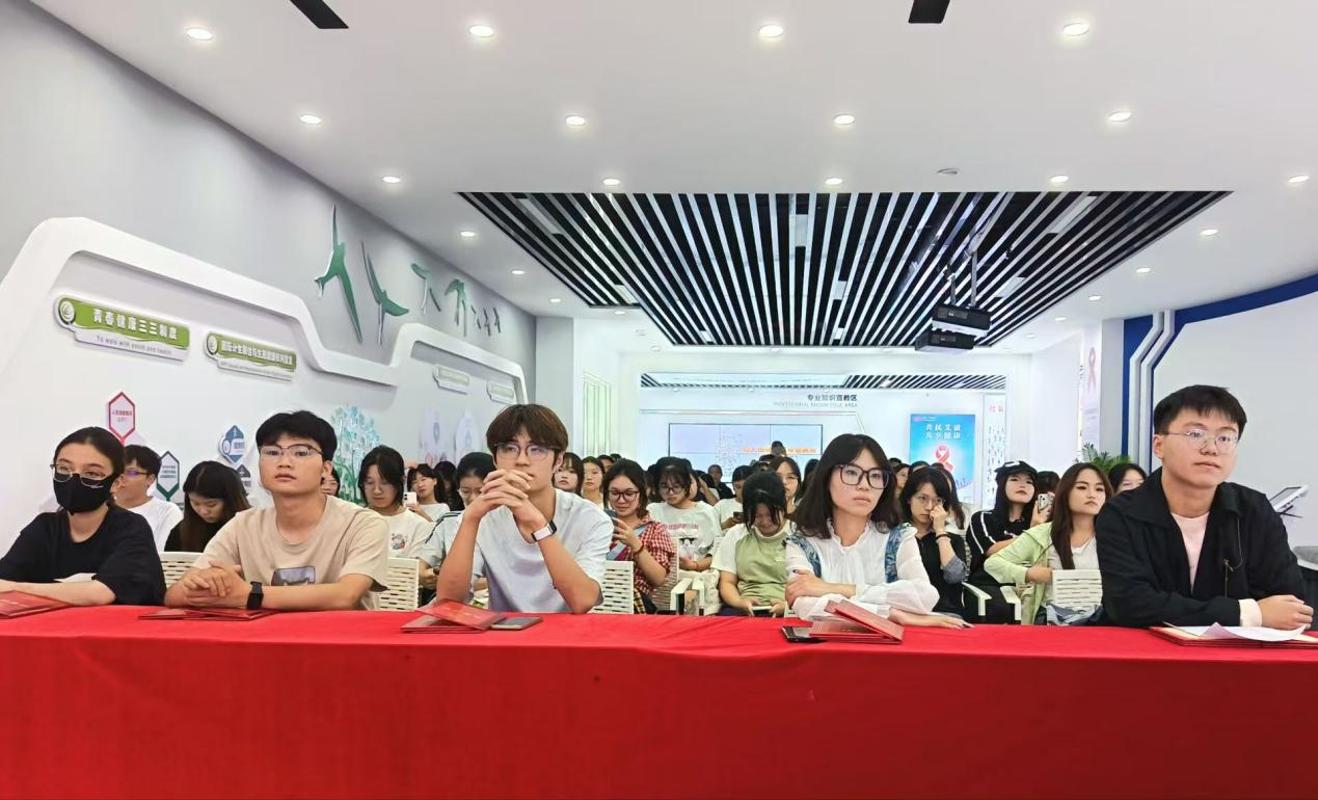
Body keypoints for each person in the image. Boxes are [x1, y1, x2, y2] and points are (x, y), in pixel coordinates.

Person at [1097, 385, 1310, 629]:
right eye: (1196, 434)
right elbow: (1129, 604)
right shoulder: (1121, 513)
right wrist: (1248, 613)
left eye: (1225, 437)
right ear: (1159, 445)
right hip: (1143, 649)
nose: (1211, 448)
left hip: (1237, 651)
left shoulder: (1254, 510)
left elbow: (1290, 604)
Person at [164, 411, 389, 611]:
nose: (284, 462)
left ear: (326, 469)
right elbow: (174, 595)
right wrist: (210, 583)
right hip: (263, 641)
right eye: (272, 452)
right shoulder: (243, 525)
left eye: (301, 453)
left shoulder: (362, 523)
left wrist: (249, 595)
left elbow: (345, 596)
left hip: (339, 641)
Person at [435, 404, 612, 614]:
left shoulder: (590, 518)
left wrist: (538, 524)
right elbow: (449, 601)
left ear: (558, 461)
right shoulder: (480, 516)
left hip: (567, 632)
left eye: (537, 449)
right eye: (509, 449)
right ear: (495, 459)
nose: (521, 460)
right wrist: (471, 519)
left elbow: (582, 601)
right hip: (503, 631)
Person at [784, 434, 962, 627]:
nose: (864, 485)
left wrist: (834, 588)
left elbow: (924, 596)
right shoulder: (803, 541)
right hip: (826, 643)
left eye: (876, 476)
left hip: (892, 644)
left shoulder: (898, 536)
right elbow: (807, 605)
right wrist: (891, 614)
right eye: (851, 472)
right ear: (827, 478)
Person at [0, 427, 164, 605]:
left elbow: (99, 594)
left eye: (92, 473)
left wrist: (19, 588)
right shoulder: (44, 527)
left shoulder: (131, 527)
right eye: (64, 469)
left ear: (115, 483)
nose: (74, 480)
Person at [987, 463, 1111, 624]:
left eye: (1099, 489)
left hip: (1102, 618)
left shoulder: (1114, 537)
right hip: (1052, 618)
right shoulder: (1043, 534)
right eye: (1082, 487)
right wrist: (1028, 573)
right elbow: (993, 564)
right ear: (1065, 492)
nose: (1092, 494)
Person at [966, 461, 1048, 622]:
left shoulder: (1041, 522)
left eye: (1029, 482)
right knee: (1000, 607)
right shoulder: (983, 518)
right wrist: (1033, 531)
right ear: (1002, 484)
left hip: (1030, 584)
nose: (1022, 485)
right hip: (989, 583)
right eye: (1015, 479)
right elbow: (992, 550)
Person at [713, 471, 791, 616]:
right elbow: (727, 582)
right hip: (742, 608)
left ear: (783, 504)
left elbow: (808, 584)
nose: (765, 522)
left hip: (789, 607)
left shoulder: (798, 536)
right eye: (757, 516)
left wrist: (788, 606)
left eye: (770, 515)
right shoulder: (736, 534)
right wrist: (738, 602)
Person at [895, 467, 970, 617]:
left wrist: (940, 532)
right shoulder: (895, 537)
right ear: (909, 499)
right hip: (903, 613)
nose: (929, 507)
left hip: (945, 614)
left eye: (937, 501)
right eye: (922, 498)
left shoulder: (953, 540)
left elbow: (954, 576)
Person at [603, 459, 676, 612]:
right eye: (614, 493)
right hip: (595, 597)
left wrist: (636, 545)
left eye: (629, 493)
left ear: (643, 492)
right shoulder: (597, 525)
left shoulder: (655, 530)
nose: (621, 500)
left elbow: (658, 578)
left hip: (633, 604)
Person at [361, 446, 434, 597]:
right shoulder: (354, 520)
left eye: (385, 482)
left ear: (400, 482)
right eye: (369, 482)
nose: (376, 490)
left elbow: (413, 576)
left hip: (400, 604)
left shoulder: (418, 525)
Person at [647, 460, 723, 572]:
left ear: (687, 485)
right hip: (662, 576)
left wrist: (695, 565)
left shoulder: (707, 511)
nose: (670, 492)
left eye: (676, 486)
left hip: (700, 575)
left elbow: (718, 551)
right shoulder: (653, 510)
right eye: (664, 486)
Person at [165, 461, 250, 552]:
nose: (203, 511)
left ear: (230, 500)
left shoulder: (252, 527)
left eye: (211, 505)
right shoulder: (181, 532)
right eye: (195, 503)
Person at [113, 444, 183, 551]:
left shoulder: (167, 511)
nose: (120, 478)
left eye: (131, 472)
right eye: (117, 471)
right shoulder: (99, 508)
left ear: (150, 479)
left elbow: (163, 556)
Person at [715, 465, 752, 530]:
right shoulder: (722, 505)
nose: (743, 491)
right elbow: (707, 529)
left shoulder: (762, 506)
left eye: (747, 487)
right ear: (733, 487)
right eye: (738, 487)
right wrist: (724, 525)